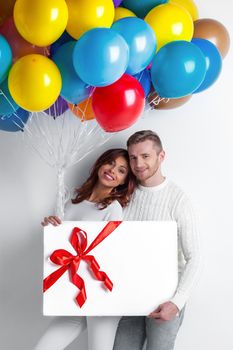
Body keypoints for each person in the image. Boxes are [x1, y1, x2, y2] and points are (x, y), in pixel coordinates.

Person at [34, 148, 137, 350]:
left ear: (124, 181)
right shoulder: (73, 197)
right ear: (100, 164)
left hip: (101, 292)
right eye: (111, 163)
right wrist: (51, 227)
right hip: (75, 290)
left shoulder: (113, 208)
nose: (113, 170)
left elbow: (112, 253)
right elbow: (59, 245)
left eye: (122, 170)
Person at [113, 130, 202, 350]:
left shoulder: (178, 199)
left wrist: (177, 302)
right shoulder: (125, 195)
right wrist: (58, 222)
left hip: (166, 300)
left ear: (161, 156)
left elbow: (195, 257)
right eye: (133, 157)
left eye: (145, 156)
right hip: (131, 297)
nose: (138, 163)